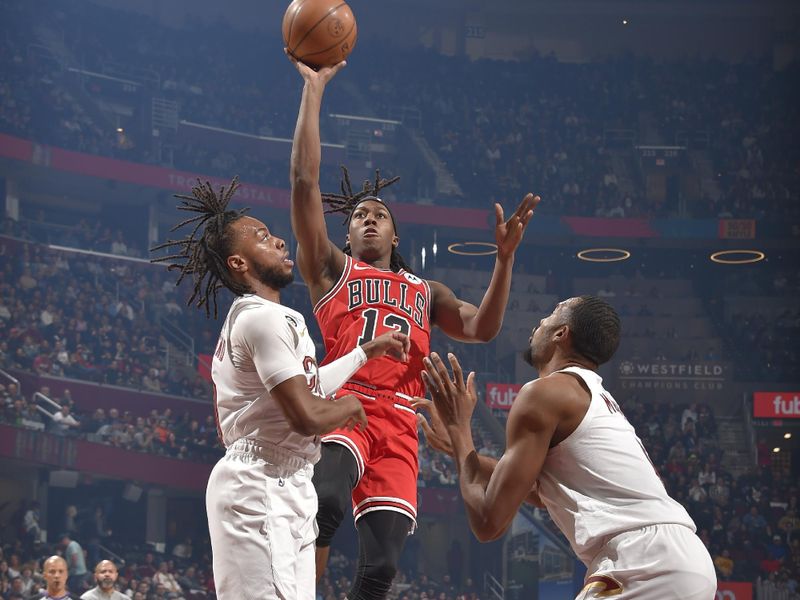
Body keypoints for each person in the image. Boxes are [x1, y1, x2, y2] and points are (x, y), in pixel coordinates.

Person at [287, 55, 537, 599]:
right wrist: (313, 91)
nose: (368, 218)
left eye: (378, 214)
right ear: (347, 235)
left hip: (401, 419)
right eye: (357, 215)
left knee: (380, 570)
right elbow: (306, 183)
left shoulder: (426, 292)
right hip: (347, 400)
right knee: (324, 503)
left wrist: (504, 261)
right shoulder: (332, 268)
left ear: (394, 234)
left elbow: (481, 328)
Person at [151, 178, 410, 600]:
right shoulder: (260, 319)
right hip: (258, 477)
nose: (279, 241)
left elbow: (309, 386)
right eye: (263, 238)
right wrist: (347, 408)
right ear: (238, 263)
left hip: (289, 479)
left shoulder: (276, 317)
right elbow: (305, 413)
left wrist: (366, 352)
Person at [417, 296, 717, 599]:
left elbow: (487, 523)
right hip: (680, 556)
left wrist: (459, 430)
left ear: (561, 333)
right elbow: (540, 493)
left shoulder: (545, 393)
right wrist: (461, 451)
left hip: (643, 561)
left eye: (550, 315)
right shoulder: (595, 396)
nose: (539, 322)